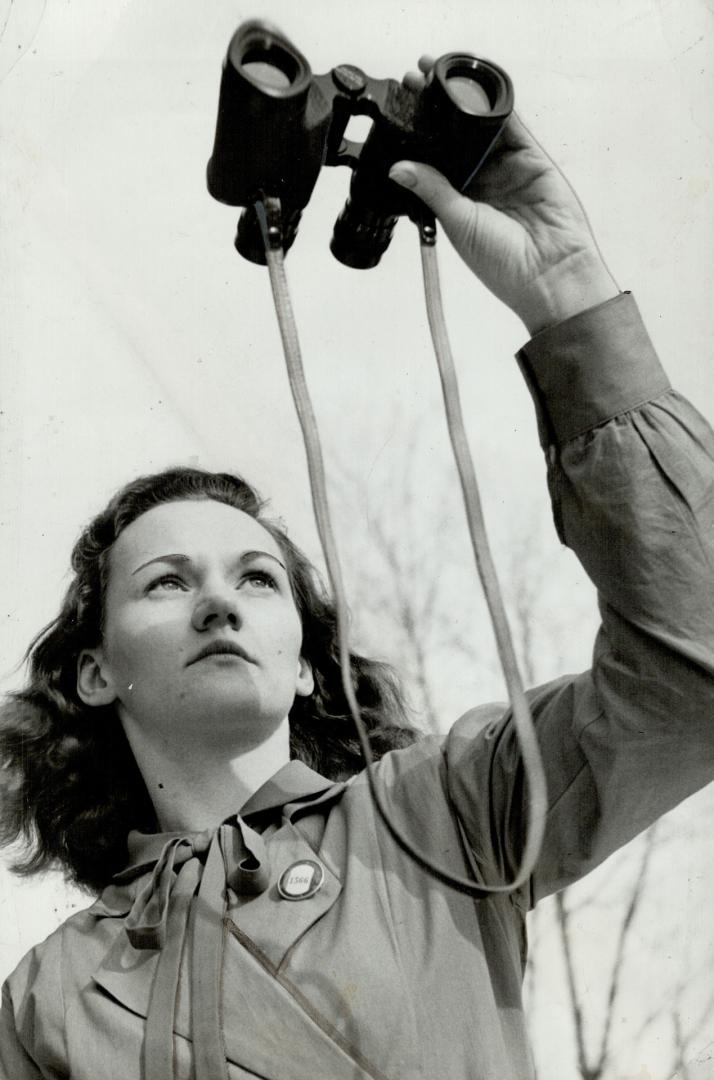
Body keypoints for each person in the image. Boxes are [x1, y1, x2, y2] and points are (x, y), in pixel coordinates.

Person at [1, 60, 713, 1078]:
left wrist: (570, 298)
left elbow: (695, 675)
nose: (218, 603)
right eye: (167, 582)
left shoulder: (448, 812)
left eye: (257, 580)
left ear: (303, 663)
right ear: (95, 671)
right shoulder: (47, 998)